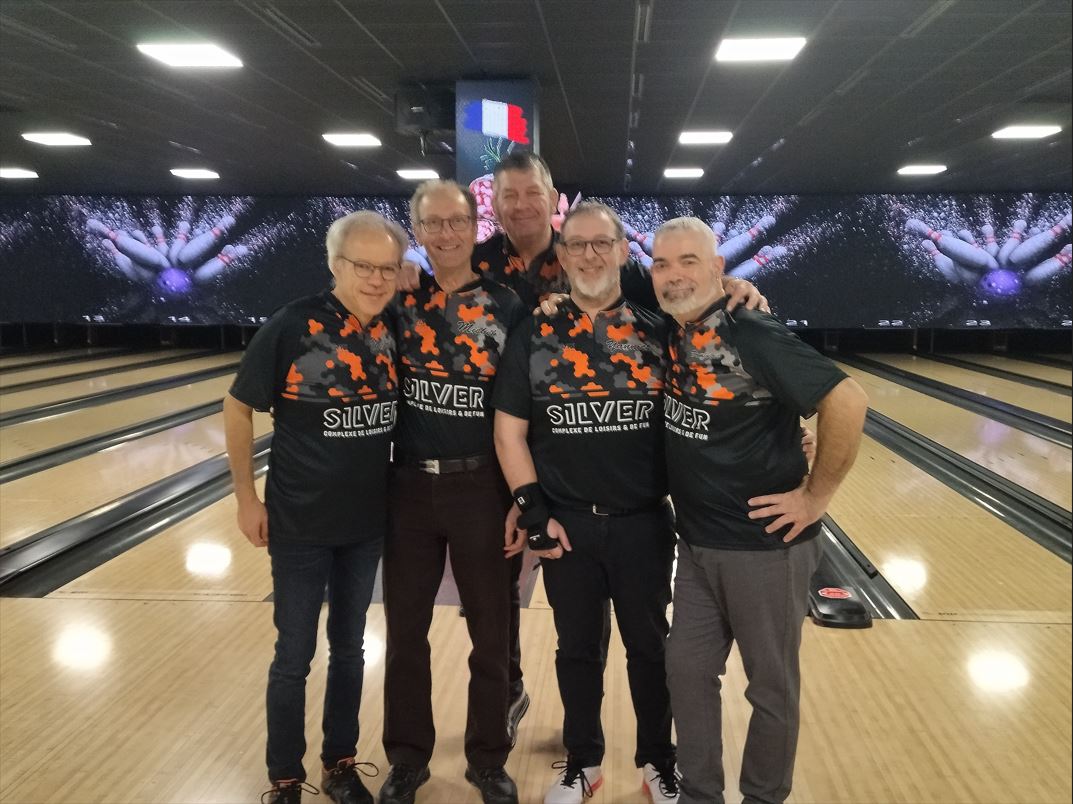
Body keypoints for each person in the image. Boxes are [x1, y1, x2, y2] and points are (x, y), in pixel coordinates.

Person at [650, 217, 868, 804]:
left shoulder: (751, 330)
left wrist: (816, 496)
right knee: (687, 672)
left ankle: (763, 797)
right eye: (662, 263)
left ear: (717, 268)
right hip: (697, 545)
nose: (673, 274)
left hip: (764, 549)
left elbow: (847, 400)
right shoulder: (672, 329)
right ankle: (699, 794)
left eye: (689, 261)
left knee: (770, 688)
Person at [492, 201, 681, 804]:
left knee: (650, 649)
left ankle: (659, 761)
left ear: (624, 251)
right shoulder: (534, 333)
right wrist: (534, 513)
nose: (590, 255)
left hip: (644, 524)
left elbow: (714, 405)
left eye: (602, 243)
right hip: (567, 524)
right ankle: (583, 763)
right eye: (577, 245)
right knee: (576, 651)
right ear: (562, 256)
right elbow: (509, 432)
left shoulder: (660, 332)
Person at [224, 211, 407, 804]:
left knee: (350, 649)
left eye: (387, 268)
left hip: (365, 524)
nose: (376, 279)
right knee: (294, 655)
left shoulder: (392, 326)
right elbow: (237, 406)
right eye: (363, 266)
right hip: (299, 523)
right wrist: (246, 498)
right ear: (335, 265)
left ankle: (340, 764)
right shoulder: (293, 324)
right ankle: (284, 776)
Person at [377, 180, 524, 804]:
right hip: (409, 486)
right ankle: (407, 759)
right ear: (417, 231)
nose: (445, 233)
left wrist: (521, 496)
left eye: (456, 221)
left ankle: (487, 759)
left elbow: (525, 408)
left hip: (481, 486)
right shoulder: (397, 299)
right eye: (431, 224)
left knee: (492, 633)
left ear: (474, 227)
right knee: (405, 631)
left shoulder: (507, 304)